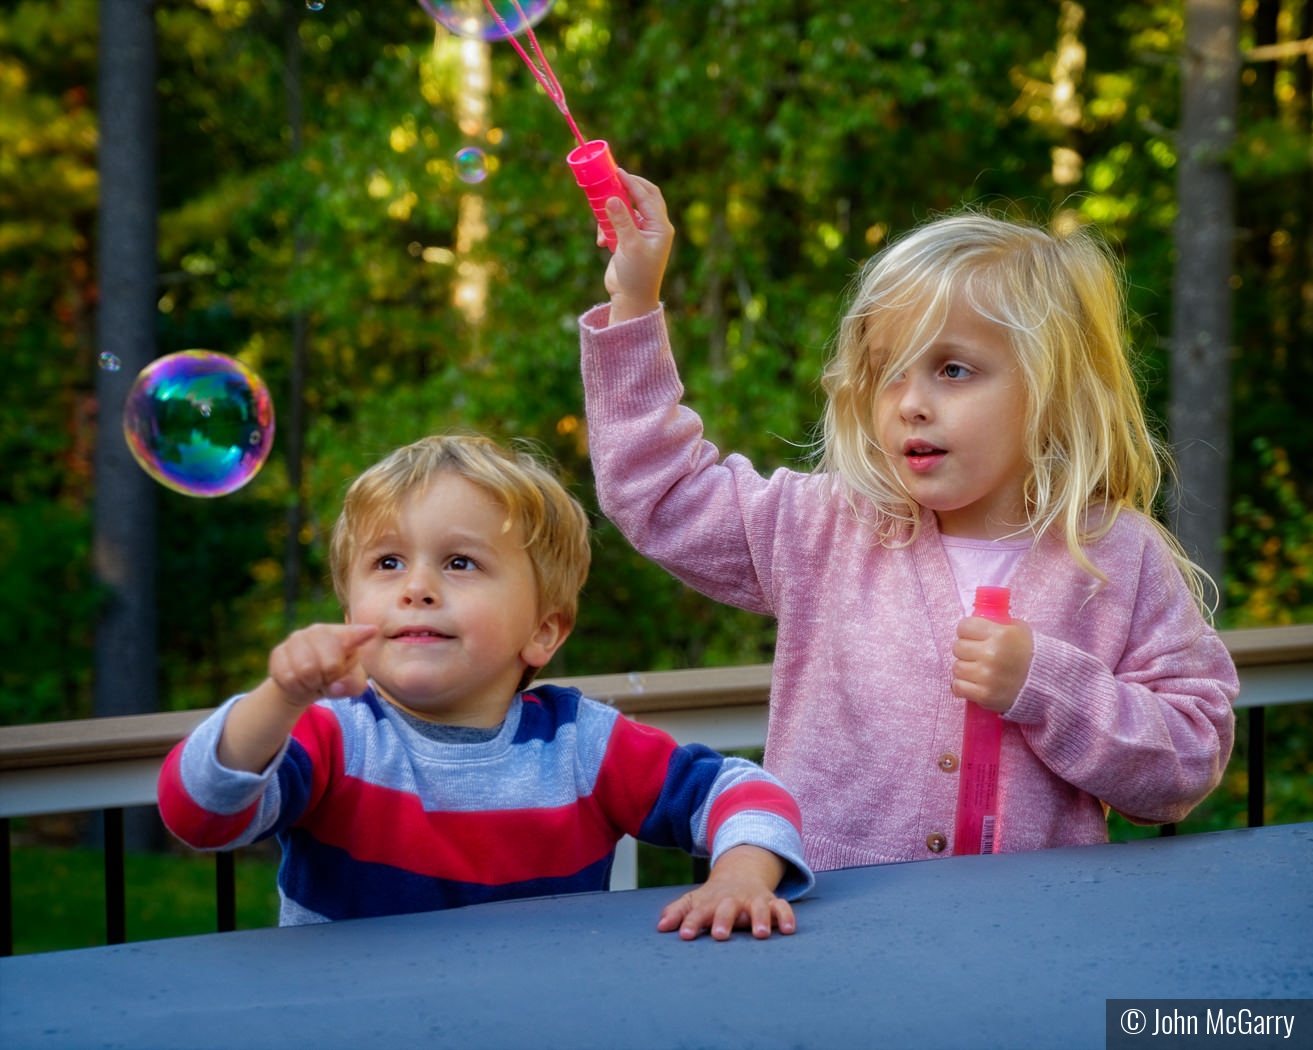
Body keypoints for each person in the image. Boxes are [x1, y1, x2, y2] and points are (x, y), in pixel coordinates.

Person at [578, 174, 1238, 871]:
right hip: (831, 929)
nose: (910, 403)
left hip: (1030, 944)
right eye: (886, 370)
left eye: (952, 369)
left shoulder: (1115, 555)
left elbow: (1187, 762)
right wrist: (634, 302)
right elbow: (659, 492)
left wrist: (1046, 686)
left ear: (1052, 391)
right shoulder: (823, 527)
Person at [158, 434, 813, 939]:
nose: (415, 587)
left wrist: (739, 876)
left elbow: (746, 790)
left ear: (542, 632)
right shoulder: (333, 732)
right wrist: (280, 696)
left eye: (459, 562)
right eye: (387, 562)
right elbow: (199, 816)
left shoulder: (581, 745)